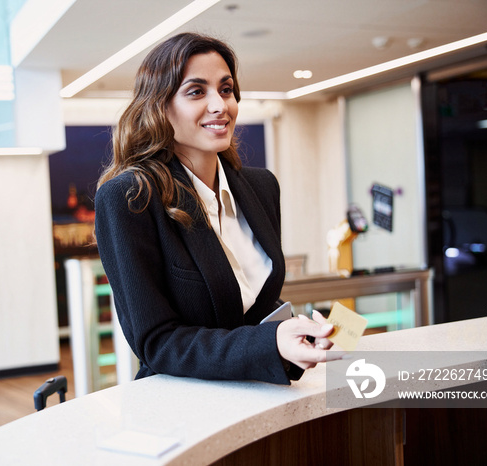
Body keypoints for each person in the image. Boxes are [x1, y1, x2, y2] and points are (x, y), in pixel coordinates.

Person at [94, 32, 335, 384]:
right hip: (186, 404)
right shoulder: (129, 198)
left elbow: (253, 304)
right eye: (196, 91)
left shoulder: (261, 186)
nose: (220, 105)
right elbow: (158, 343)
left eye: (226, 89)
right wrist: (269, 342)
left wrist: (293, 333)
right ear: (160, 107)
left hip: (262, 391)